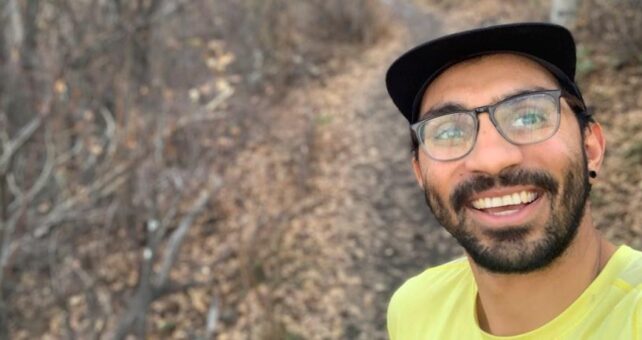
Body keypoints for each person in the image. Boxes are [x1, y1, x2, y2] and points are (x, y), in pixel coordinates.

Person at [384, 23, 642, 339]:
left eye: (528, 117)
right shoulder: (414, 310)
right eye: (449, 131)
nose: (491, 160)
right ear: (420, 174)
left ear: (591, 148)